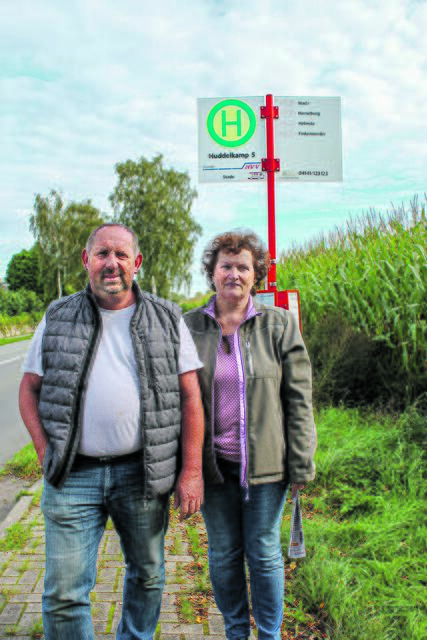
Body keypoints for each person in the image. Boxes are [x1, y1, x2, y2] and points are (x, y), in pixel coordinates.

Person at [19, 223, 204, 640]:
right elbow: (29, 388)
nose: (112, 263)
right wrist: (43, 447)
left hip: (141, 472)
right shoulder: (58, 315)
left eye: (121, 255)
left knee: (148, 575)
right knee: (64, 593)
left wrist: (191, 470)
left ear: (136, 263)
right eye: (102, 253)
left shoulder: (167, 317)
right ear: (86, 260)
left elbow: (191, 398)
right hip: (72, 474)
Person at [183, 230, 317, 640]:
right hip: (214, 467)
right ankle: (237, 631)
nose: (234, 274)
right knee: (223, 553)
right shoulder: (190, 326)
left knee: (261, 551)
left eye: (243, 267)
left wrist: (301, 462)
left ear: (255, 274)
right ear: (213, 272)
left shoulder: (277, 324)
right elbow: (178, 399)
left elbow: (298, 398)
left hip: (267, 466)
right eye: (226, 265)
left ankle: (270, 635)